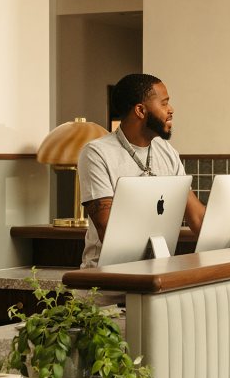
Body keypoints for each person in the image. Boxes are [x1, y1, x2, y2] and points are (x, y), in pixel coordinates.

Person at [78, 73, 206, 268]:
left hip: (155, 278)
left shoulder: (167, 152)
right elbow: (108, 230)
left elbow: (196, 217)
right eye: (164, 103)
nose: (171, 110)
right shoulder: (96, 153)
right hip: (105, 286)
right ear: (140, 110)